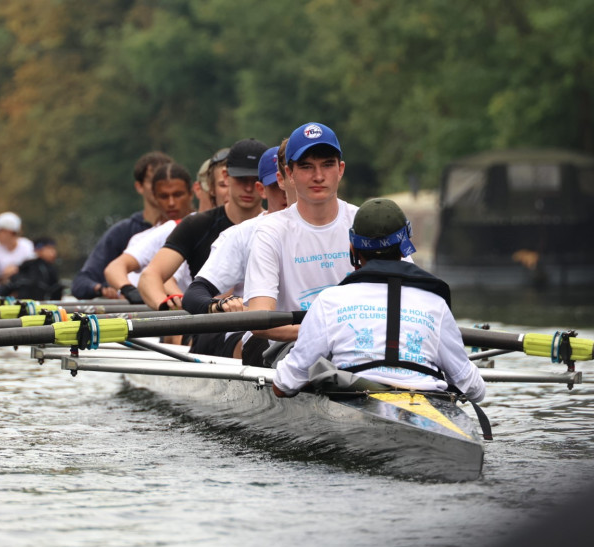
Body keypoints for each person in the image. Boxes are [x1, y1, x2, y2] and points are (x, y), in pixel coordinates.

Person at [272, 198, 486, 403]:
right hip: (427, 400)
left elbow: (283, 386)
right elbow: (474, 390)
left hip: (352, 400)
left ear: (353, 250)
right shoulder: (435, 304)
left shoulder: (329, 301)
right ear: (404, 247)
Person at [242, 122, 359, 363]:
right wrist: (328, 335)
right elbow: (258, 320)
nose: (318, 176)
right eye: (306, 167)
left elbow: (410, 298)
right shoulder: (271, 231)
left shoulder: (362, 222)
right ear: (290, 174)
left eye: (327, 165)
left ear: (341, 169)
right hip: (294, 347)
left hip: (362, 343)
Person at [182, 144, 290, 357]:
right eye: (276, 185)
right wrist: (220, 306)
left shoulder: (341, 224)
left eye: (287, 183)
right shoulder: (240, 235)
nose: (285, 193)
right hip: (247, 331)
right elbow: (194, 296)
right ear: (264, 190)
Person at [138, 139, 268, 311]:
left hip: (263, 327)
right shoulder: (196, 224)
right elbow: (150, 276)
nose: (249, 188)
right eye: (242, 179)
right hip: (208, 324)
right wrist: (165, 307)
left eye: (256, 180)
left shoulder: (277, 225)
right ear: (226, 176)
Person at [70, 151, 173, 300]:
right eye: (154, 182)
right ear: (139, 186)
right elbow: (81, 283)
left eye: (165, 182)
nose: (161, 189)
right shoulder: (122, 232)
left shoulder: (191, 226)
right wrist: (102, 289)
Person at [103, 162, 196, 304]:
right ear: (155, 198)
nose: (171, 203)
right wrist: (129, 291)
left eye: (178, 195)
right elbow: (114, 269)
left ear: (191, 194)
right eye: (164, 196)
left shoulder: (208, 227)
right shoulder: (140, 239)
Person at [0, 237, 64, 301]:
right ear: (38, 250)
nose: (53, 252)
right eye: (49, 249)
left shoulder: (50, 269)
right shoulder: (27, 266)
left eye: (53, 249)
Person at [0, 211, 36, 286]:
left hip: (22, 290)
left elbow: (33, 270)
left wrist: (17, 269)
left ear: (8, 232)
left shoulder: (27, 245)